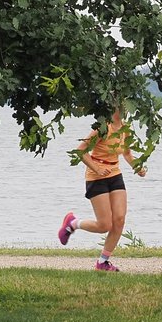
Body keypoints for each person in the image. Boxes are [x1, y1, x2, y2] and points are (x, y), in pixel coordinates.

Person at [57, 110, 146, 271]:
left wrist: (137, 167)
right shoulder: (102, 128)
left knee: (119, 219)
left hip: (115, 174)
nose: (125, 107)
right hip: (96, 177)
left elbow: (127, 153)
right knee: (104, 225)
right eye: (121, 103)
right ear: (113, 106)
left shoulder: (125, 128)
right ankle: (73, 223)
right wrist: (97, 169)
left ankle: (103, 262)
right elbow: (81, 151)